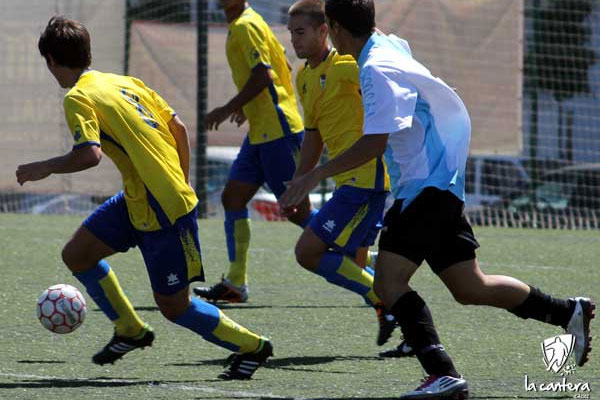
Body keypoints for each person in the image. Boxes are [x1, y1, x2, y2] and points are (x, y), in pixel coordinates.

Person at [282, 1, 595, 398]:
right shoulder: (384, 44)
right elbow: (406, 55)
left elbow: (375, 143)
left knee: (389, 281)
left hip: (426, 186)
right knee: (470, 287)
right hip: (442, 180)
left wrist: (315, 175)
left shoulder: (373, 68)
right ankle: (568, 311)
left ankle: (442, 373)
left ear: (336, 28)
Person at [17, 16, 272, 380]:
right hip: (140, 197)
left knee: (175, 307)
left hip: (162, 209)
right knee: (77, 254)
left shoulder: (77, 96)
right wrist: (178, 179)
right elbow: (178, 127)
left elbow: (89, 154)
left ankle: (253, 346)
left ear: (52, 62)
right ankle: (130, 329)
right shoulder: (123, 81)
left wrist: (44, 167)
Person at [284, 0, 412, 349]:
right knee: (364, 265)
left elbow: (389, 77)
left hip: (366, 181)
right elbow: (313, 135)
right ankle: (405, 323)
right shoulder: (304, 77)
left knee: (309, 252)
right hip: (345, 181)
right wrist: (300, 183)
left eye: (301, 32)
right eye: (291, 33)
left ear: (325, 30)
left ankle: (384, 305)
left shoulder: (347, 65)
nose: (294, 40)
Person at [194, 0, 316, 304]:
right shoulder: (249, 22)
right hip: (262, 131)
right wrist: (252, 108)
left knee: (298, 212)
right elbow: (282, 65)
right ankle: (235, 283)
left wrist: (227, 109)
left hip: (278, 131)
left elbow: (264, 75)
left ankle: (363, 260)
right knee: (232, 198)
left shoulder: (247, 25)